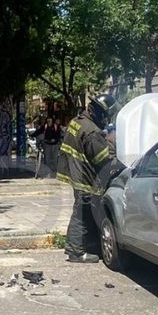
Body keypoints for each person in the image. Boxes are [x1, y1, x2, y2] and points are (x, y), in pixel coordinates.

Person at [57, 94, 118, 263]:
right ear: (100, 113)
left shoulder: (77, 121)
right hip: (85, 177)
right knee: (82, 213)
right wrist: (112, 144)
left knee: (82, 212)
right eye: (106, 116)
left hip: (75, 172)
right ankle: (76, 252)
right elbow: (102, 159)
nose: (106, 120)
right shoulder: (92, 131)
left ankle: (84, 246)